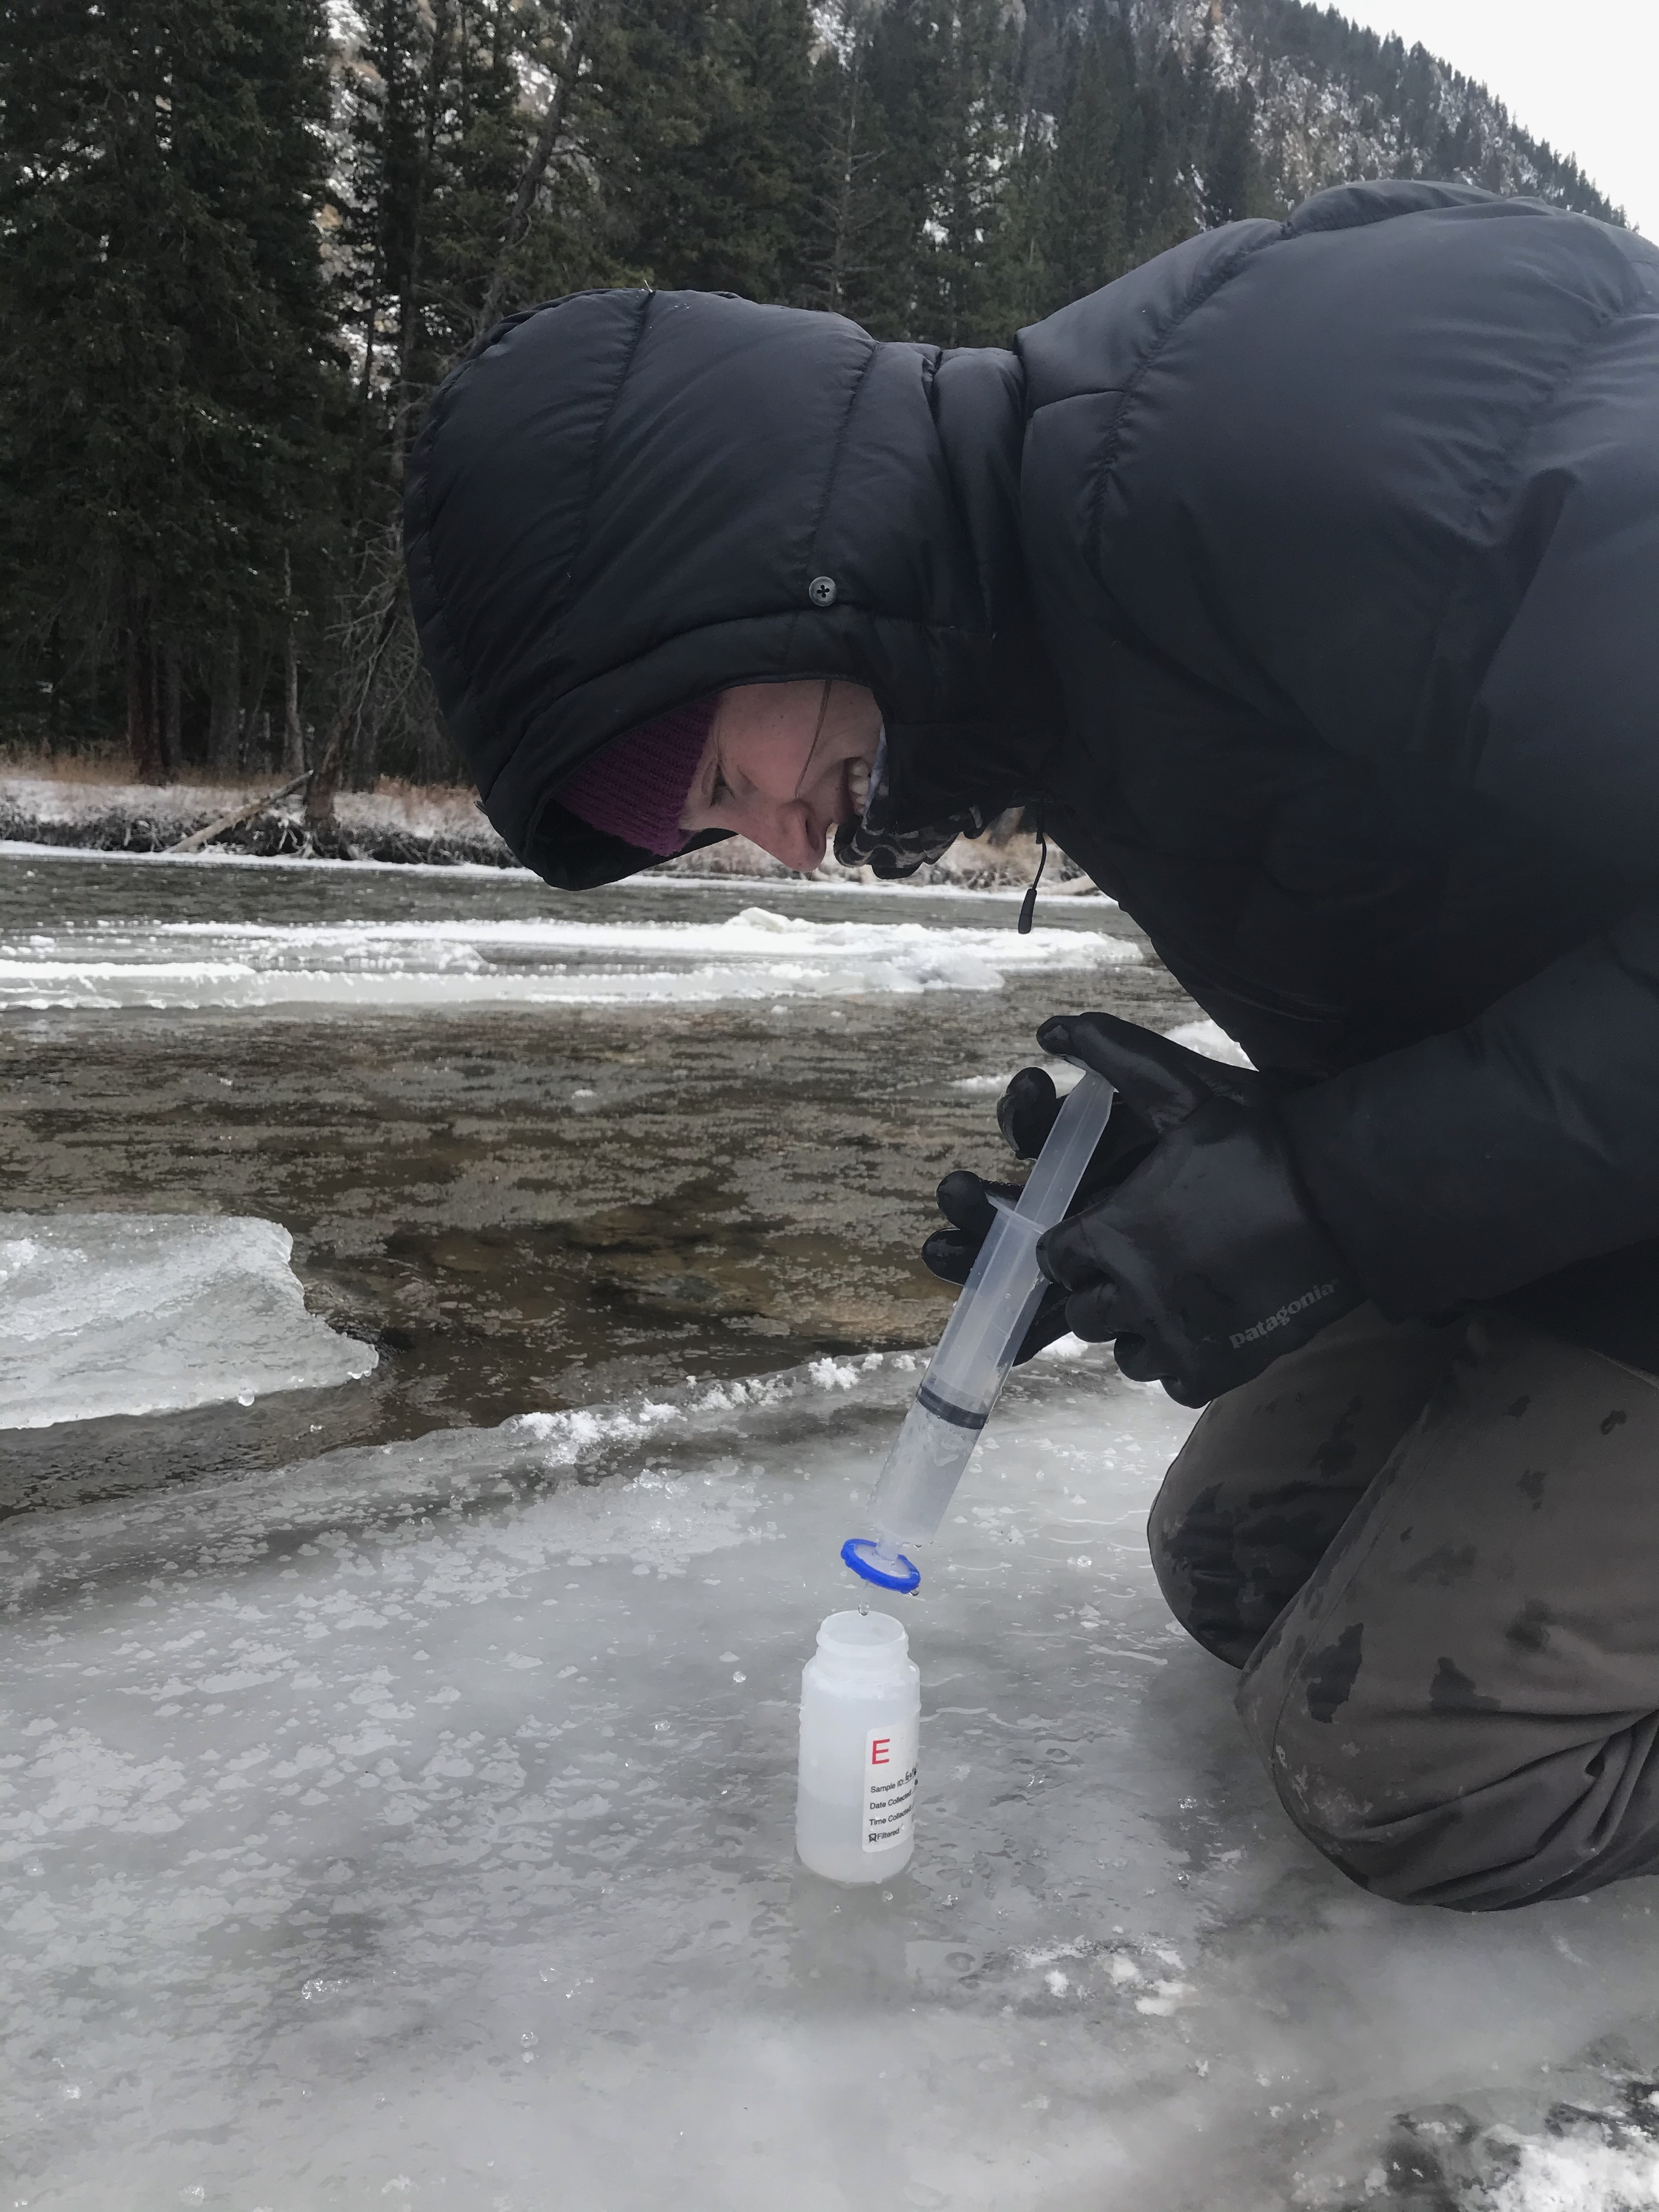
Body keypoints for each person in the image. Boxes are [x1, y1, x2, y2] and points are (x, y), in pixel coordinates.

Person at [405, 179, 1659, 1911]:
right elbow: (1511, 913)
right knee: (1238, 1560)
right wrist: (1220, 1167)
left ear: (750, 585)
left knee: (1424, 1767)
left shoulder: (1270, 452)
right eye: (713, 833)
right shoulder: (1069, 638)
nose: (780, 843)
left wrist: (1336, 1192)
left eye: (712, 781)